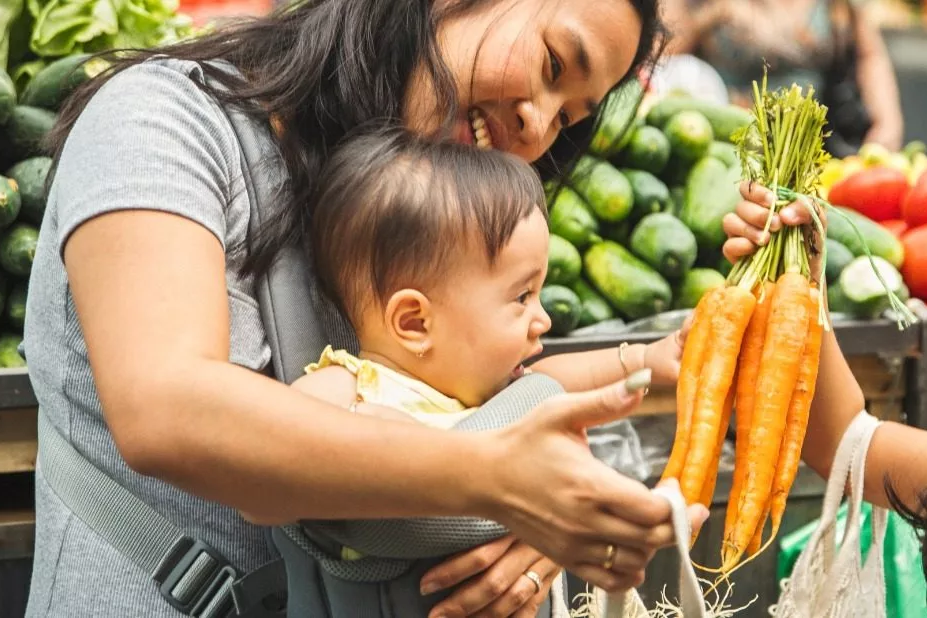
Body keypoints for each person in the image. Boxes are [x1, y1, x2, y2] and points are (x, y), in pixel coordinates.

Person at [25, 1, 715, 616]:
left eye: (567, 115)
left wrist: (512, 525)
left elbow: (471, 396)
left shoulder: (415, 198)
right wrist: (496, 483)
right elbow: (168, 410)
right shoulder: (160, 119)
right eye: (551, 63)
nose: (537, 126)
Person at [662, 0, 904, 152]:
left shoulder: (840, 5)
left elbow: (869, 55)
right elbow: (662, 58)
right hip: (724, 153)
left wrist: (886, 122)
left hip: (812, 154)